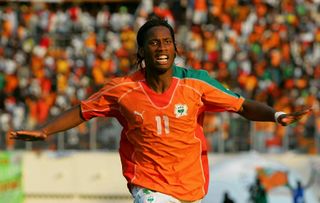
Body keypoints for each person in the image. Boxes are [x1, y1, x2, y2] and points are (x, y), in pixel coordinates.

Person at [10, 17, 311, 203]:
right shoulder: (123, 89)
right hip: (148, 184)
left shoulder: (196, 83)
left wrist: (276, 115)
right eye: (154, 43)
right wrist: (45, 130)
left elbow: (243, 106)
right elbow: (82, 110)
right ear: (142, 51)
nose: (162, 47)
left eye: (167, 41)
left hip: (191, 186)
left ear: (175, 48)